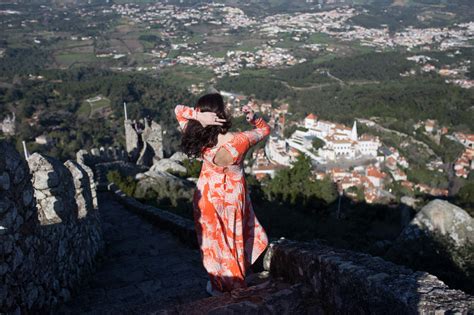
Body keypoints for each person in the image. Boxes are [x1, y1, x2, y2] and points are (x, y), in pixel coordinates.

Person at [174, 93, 270, 296]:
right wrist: (254, 118)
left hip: (207, 197)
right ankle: (237, 282)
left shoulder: (198, 137)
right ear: (222, 114)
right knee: (235, 239)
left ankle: (219, 284)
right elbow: (264, 130)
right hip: (233, 198)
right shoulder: (241, 140)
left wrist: (198, 117)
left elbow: (178, 110)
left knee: (212, 244)